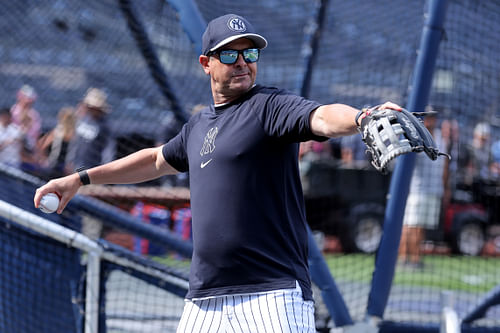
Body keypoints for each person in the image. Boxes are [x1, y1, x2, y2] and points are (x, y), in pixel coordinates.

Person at [35, 14, 402, 332]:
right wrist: (80, 179)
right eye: (230, 54)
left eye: (250, 53)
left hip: (270, 295)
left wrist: (361, 117)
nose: (242, 62)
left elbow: (320, 117)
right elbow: (155, 160)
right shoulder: (198, 126)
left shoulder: (269, 106)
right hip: (205, 299)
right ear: (206, 63)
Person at [399, 112, 447, 269]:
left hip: (433, 189)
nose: (431, 120)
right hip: (417, 189)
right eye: (428, 117)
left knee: (420, 226)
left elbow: (444, 166)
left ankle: (413, 257)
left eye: (433, 117)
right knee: (412, 225)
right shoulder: (416, 136)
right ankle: (409, 258)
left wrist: (444, 187)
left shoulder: (441, 137)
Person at [65, 87, 113, 172]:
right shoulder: (82, 120)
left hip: (93, 168)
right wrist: (69, 161)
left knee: (86, 183)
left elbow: (108, 150)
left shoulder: (104, 126)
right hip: (78, 165)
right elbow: (75, 142)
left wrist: (106, 169)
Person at [37, 106, 76, 179]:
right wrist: (43, 159)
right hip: (53, 164)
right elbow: (42, 145)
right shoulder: (58, 131)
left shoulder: (74, 135)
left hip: (63, 166)